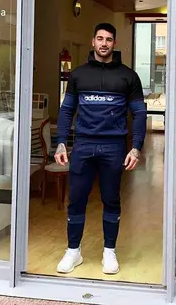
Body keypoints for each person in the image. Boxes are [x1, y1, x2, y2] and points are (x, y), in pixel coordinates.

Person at [53, 22, 148, 275]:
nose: (104, 43)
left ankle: (109, 252)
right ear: (92, 41)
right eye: (99, 38)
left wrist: (136, 147)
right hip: (83, 144)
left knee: (111, 199)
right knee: (76, 200)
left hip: (114, 146)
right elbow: (66, 110)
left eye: (108, 39)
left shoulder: (129, 76)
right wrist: (61, 141)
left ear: (114, 43)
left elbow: (139, 114)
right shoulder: (78, 75)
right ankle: (74, 252)